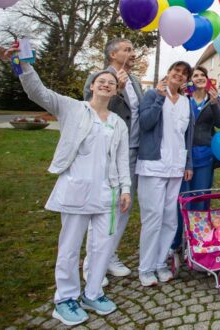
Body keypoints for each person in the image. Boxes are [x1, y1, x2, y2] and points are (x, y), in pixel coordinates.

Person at [9, 44, 131, 325]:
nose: (106, 84)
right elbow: (38, 93)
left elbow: (122, 159)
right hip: (76, 190)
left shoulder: (117, 123)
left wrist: (125, 189)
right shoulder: (72, 108)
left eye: (111, 83)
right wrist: (25, 66)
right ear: (91, 86)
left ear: (115, 91)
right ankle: (65, 298)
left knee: (102, 246)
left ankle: (93, 291)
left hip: (107, 193)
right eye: (101, 81)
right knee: (70, 246)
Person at [80, 38, 141, 285]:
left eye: (132, 49)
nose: (132, 53)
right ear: (113, 54)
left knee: (124, 207)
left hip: (134, 151)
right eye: (127, 49)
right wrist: (115, 90)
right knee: (105, 205)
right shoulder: (99, 77)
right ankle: (92, 263)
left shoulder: (135, 81)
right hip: (108, 150)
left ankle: (110, 256)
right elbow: (91, 107)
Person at [136, 61, 195, 287]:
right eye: (176, 72)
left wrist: (188, 163)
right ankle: (146, 267)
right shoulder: (152, 95)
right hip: (153, 166)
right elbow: (145, 123)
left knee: (170, 218)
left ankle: (160, 262)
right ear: (168, 73)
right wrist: (160, 98)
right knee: (153, 218)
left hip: (176, 167)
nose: (178, 76)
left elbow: (187, 135)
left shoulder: (186, 102)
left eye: (183, 75)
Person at [171, 66, 220, 253]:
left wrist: (215, 103)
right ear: (191, 80)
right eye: (196, 75)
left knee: (201, 198)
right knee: (183, 199)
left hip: (205, 156)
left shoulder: (212, 100)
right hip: (184, 156)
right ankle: (178, 240)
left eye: (203, 75)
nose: (200, 77)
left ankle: (200, 239)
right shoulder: (185, 101)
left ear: (207, 79)